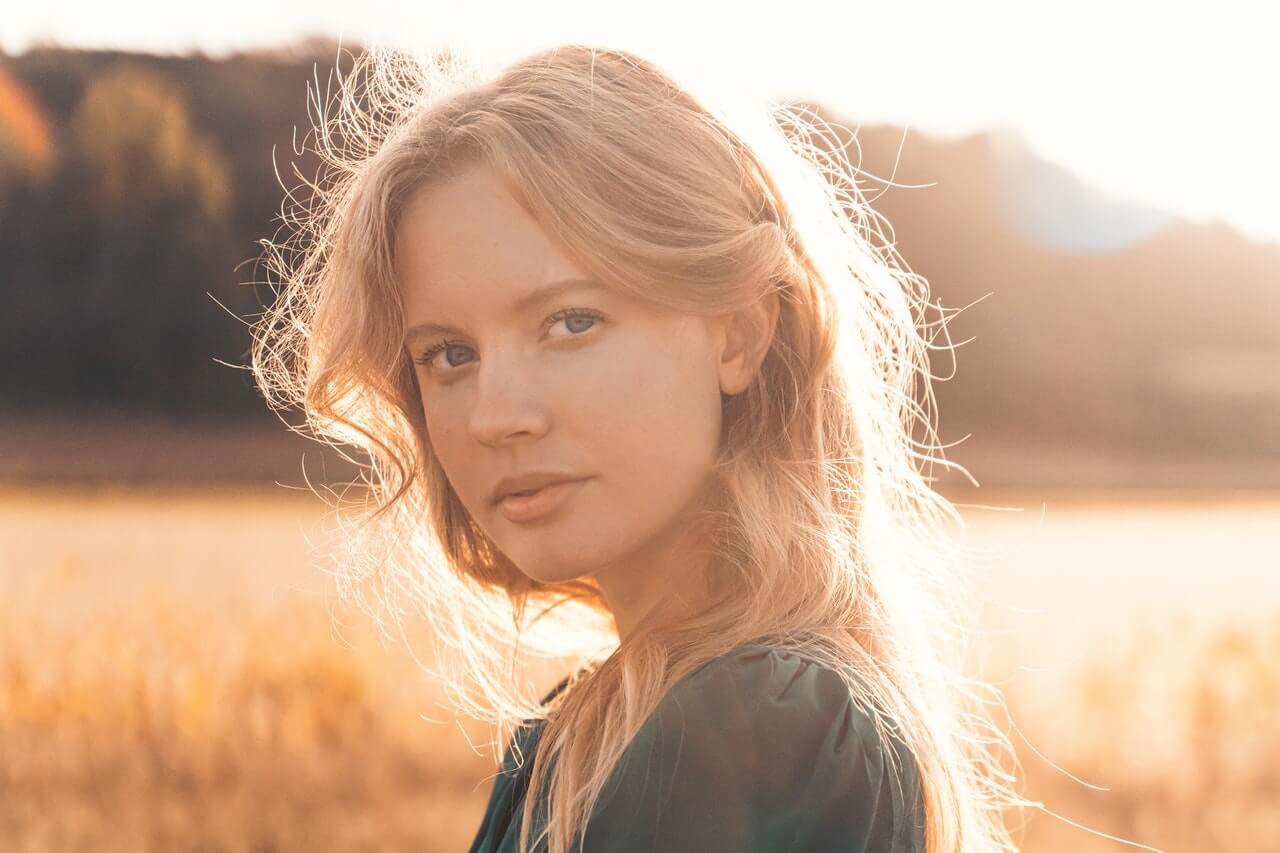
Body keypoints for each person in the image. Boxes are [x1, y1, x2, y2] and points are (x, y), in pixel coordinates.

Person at [250, 42, 1026, 853]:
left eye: (571, 322)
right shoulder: (577, 733)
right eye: (450, 353)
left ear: (739, 333)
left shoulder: (753, 727)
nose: (493, 415)